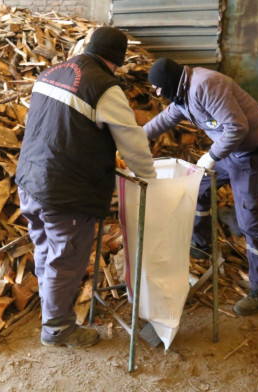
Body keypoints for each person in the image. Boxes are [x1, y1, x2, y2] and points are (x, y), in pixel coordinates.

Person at [16, 27, 157, 348]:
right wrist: (149, 177)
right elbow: (132, 141)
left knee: (45, 250)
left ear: (89, 47)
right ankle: (57, 328)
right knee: (66, 260)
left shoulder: (53, 72)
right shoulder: (104, 87)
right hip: (66, 192)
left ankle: (50, 311)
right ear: (117, 62)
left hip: (29, 180)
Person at [143, 58, 258, 316]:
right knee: (197, 191)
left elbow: (237, 127)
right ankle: (203, 247)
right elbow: (166, 118)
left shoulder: (205, 85)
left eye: (158, 88)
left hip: (250, 154)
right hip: (230, 153)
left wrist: (212, 156)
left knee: (250, 221)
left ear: (169, 82)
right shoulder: (183, 93)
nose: (157, 93)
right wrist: (136, 137)